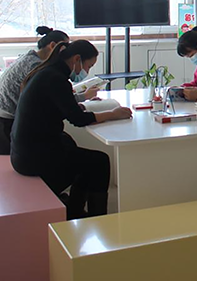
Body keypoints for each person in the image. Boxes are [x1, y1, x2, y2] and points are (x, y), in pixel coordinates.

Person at [10, 40, 132, 219]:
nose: (87, 72)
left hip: (22, 152)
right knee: (100, 161)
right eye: (88, 66)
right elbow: (78, 120)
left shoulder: (46, 72)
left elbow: (60, 108)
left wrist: (78, 108)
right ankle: (98, 218)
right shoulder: (56, 79)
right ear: (76, 59)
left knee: (74, 149)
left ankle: (74, 211)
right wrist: (112, 114)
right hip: (33, 159)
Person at [0, 26, 99, 155]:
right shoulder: (37, 67)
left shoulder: (31, 58)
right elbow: (56, 99)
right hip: (8, 125)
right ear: (53, 46)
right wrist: (82, 97)